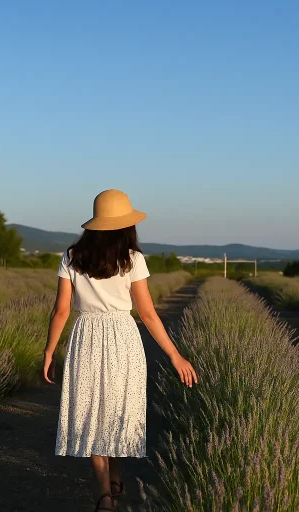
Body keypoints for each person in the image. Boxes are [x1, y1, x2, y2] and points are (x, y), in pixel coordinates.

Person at [42, 189, 198, 511]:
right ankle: (111, 485)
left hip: (86, 338)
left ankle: (105, 494)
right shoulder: (132, 259)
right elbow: (148, 314)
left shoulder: (72, 256)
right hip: (123, 340)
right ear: (127, 225)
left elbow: (61, 311)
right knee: (117, 412)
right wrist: (174, 354)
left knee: (91, 415)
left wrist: (49, 351)